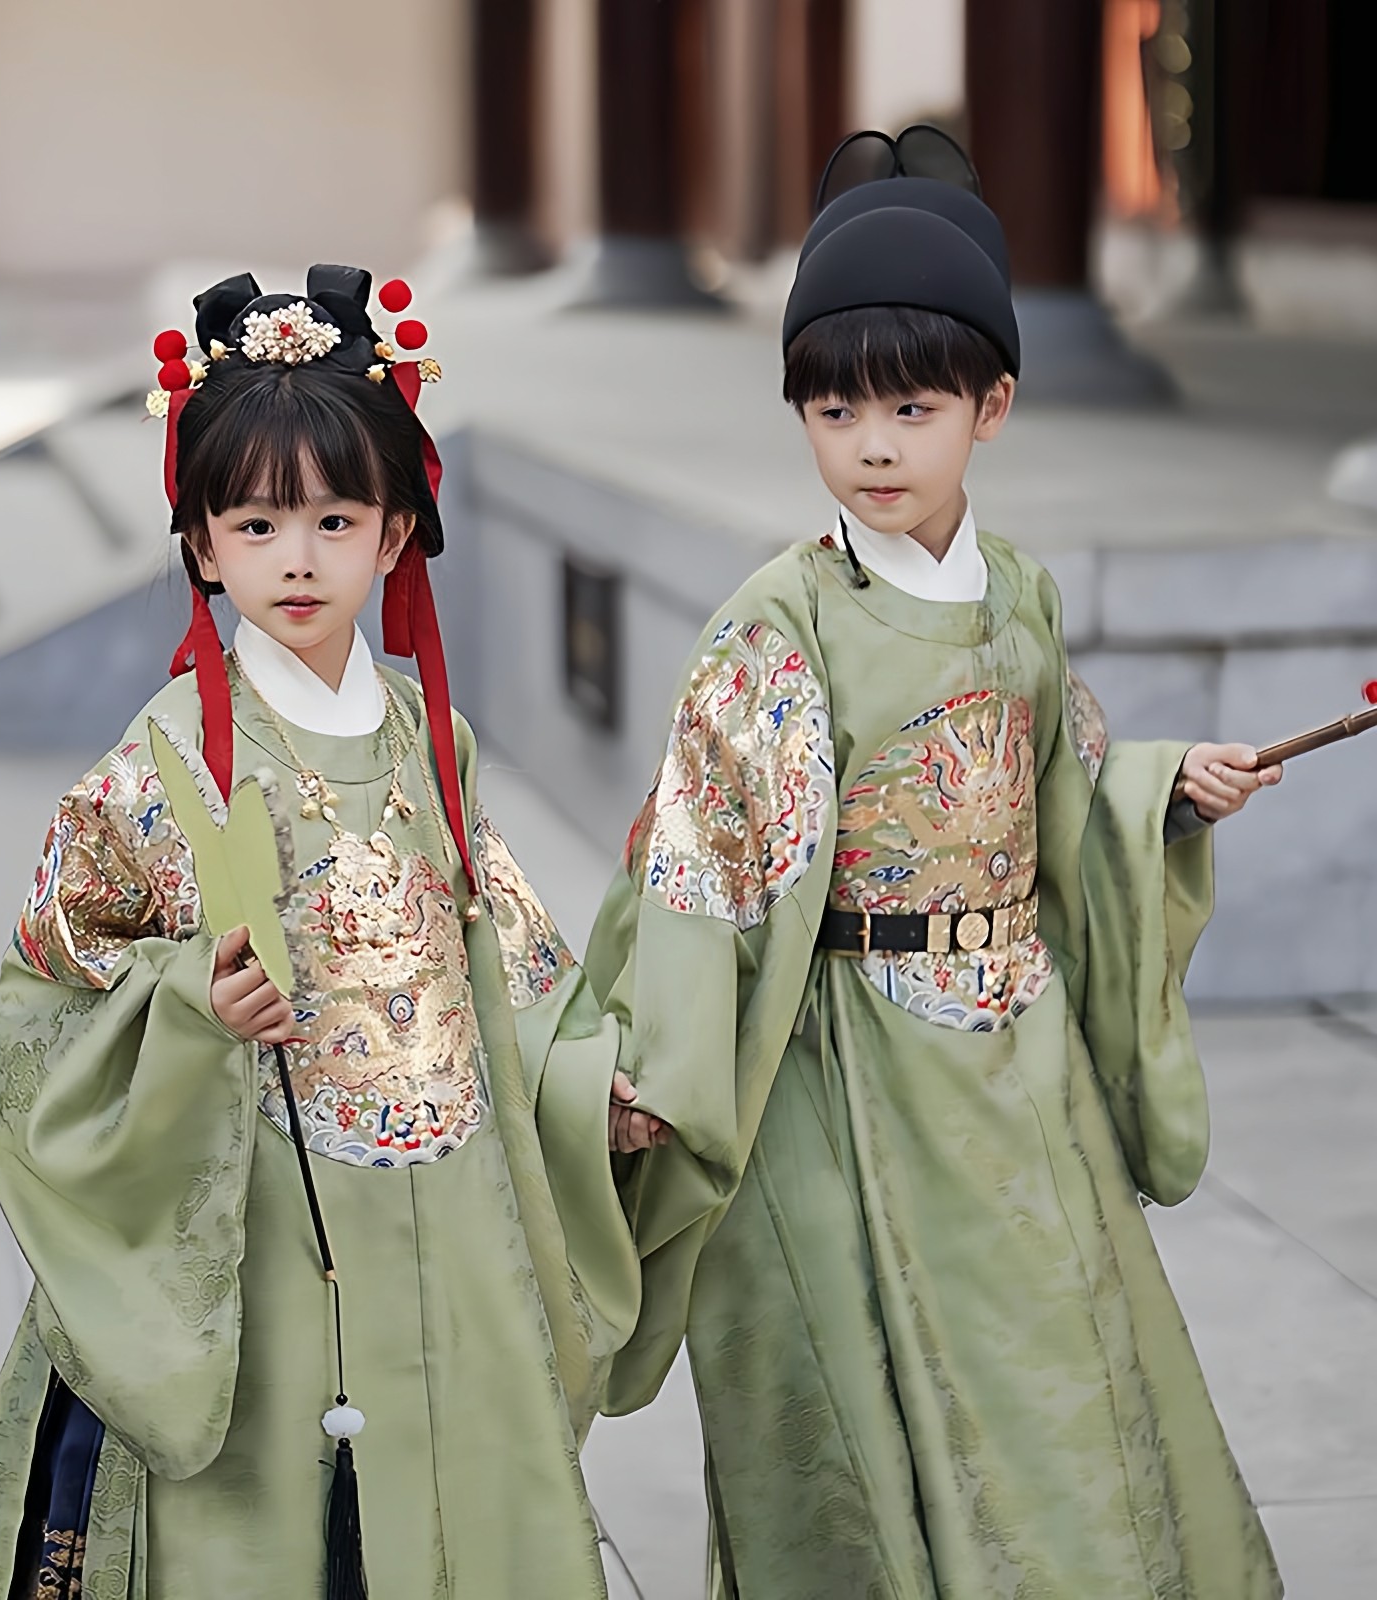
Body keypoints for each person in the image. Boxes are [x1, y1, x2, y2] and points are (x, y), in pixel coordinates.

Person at [588, 129, 1285, 1598]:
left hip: (1014, 1060)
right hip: (839, 1071)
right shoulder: (777, 626)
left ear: (995, 405)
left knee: (1060, 1380)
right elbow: (703, 872)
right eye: (836, 409)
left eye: (914, 405)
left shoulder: (1017, 592)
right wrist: (656, 1068)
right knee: (858, 1417)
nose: (876, 446)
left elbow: (1063, 787)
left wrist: (1165, 793)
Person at [0, 265, 657, 1600]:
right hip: (259, 1231)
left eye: (334, 516)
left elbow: (512, 967)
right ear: (202, 544)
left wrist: (585, 1080)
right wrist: (192, 997)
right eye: (256, 524)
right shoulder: (155, 775)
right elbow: (54, 977)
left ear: (395, 534)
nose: (299, 557)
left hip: (446, 1214)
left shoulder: (434, 743)